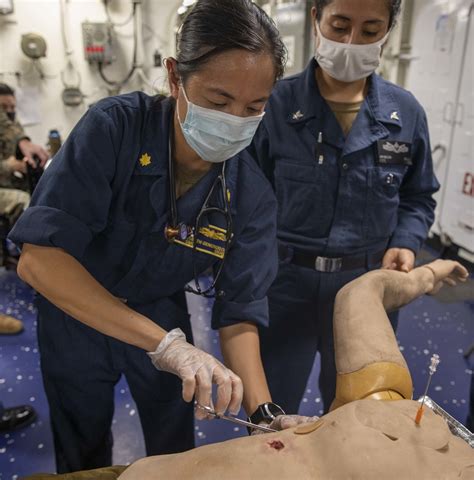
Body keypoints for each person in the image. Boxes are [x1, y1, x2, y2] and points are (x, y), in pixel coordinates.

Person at [8, 0, 299, 473]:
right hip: (76, 311)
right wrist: (164, 345)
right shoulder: (114, 129)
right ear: (174, 76)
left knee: (174, 448)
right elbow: (39, 260)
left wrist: (264, 413)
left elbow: (240, 310)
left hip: (163, 313)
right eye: (219, 101)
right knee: (81, 446)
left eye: (254, 108)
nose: (233, 120)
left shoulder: (250, 193)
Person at [24, 260, 472, 479]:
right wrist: (424, 276)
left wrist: (426, 276)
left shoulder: (381, 399)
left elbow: (361, 290)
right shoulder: (381, 398)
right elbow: (362, 292)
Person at [247, 0, 440, 414]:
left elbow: (418, 196)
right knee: (273, 414)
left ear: (388, 32)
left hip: (367, 288)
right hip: (283, 285)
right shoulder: (273, 105)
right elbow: (243, 197)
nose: (352, 42)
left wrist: (406, 241)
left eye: (370, 31)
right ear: (316, 20)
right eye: (339, 25)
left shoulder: (405, 113)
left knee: (361, 415)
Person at [0, 83, 49, 190]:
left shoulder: (14, 126)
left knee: (41, 191)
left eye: (12, 107)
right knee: (23, 200)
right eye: (3, 107)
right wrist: (10, 166)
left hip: (8, 183)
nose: (9, 111)